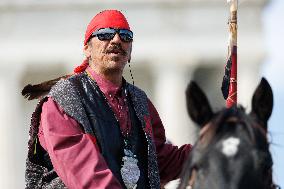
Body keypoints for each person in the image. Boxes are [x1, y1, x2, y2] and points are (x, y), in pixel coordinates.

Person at [24, 10, 192, 189]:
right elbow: (87, 175)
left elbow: (158, 160)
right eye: (105, 34)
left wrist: (213, 145)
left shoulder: (139, 100)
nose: (116, 40)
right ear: (87, 48)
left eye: (125, 36)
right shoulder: (64, 100)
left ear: (130, 52)